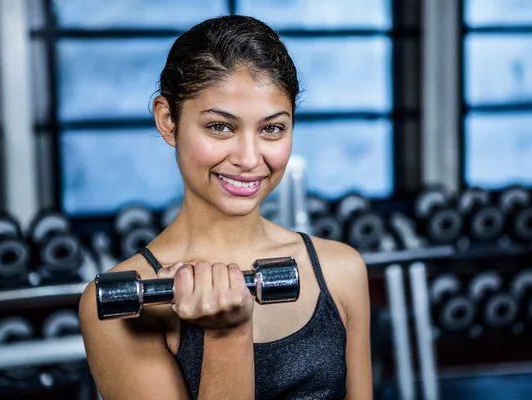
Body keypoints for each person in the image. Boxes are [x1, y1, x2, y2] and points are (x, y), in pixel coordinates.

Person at [79, 14, 372, 400]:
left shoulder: (341, 271)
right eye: (220, 126)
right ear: (168, 120)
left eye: (272, 128)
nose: (250, 158)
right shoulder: (127, 304)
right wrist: (226, 334)